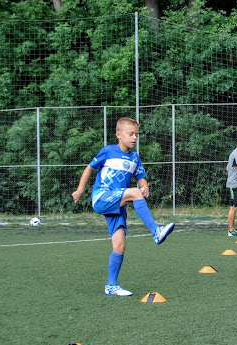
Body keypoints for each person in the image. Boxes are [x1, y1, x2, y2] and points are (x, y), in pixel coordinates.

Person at [72, 117, 175, 297]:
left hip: (118, 204)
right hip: (102, 197)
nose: (134, 137)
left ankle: (111, 285)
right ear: (118, 134)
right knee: (134, 193)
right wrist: (80, 190)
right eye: (130, 134)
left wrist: (145, 187)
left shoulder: (135, 158)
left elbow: (141, 177)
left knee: (119, 245)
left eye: (137, 134)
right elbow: (89, 168)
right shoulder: (108, 151)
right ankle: (156, 231)